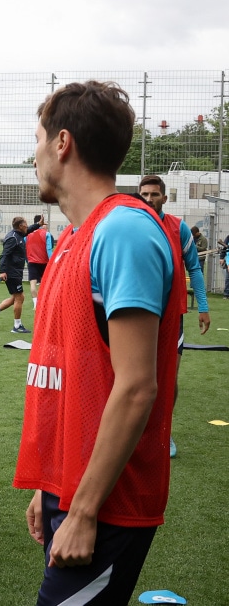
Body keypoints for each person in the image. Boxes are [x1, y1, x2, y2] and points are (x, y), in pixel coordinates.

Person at [14, 81, 185, 605]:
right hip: (70, 486)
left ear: (62, 143)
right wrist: (50, 484)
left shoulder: (123, 233)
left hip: (108, 502)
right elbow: (77, 374)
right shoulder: (72, 236)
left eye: (38, 139)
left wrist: (84, 508)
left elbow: (136, 388)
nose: (34, 155)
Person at [138, 175, 210, 458]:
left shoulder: (177, 228)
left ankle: (164, 431)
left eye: (154, 194)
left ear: (164, 198)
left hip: (170, 317)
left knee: (168, 377)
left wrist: (202, 306)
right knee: (131, 375)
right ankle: (132, 431)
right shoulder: (131, 225)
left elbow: (194, 269)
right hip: (135, 315)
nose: (149, 199)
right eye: (144, 194)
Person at [0, 217, 30, 333]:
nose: (27, 226)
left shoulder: (19, 234)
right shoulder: (13, 238)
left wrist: (38, 224)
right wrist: (2, 271)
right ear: (20, 226)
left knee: (16, 297)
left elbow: (29, 230)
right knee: (19, 297)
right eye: (26, 224)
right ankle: (17, 326)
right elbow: (4, 255)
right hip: (12, 272)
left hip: (16, 271)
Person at [25, 220, 54, 310]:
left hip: (32, 262)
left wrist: (27, 261)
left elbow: (24, 250)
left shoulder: (27, 235)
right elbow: (49, 250)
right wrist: (52, 263)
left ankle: (36, 304)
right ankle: (46, 302)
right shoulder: (47, 234)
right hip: (44, 263)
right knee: (47, 284)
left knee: (33, 284)